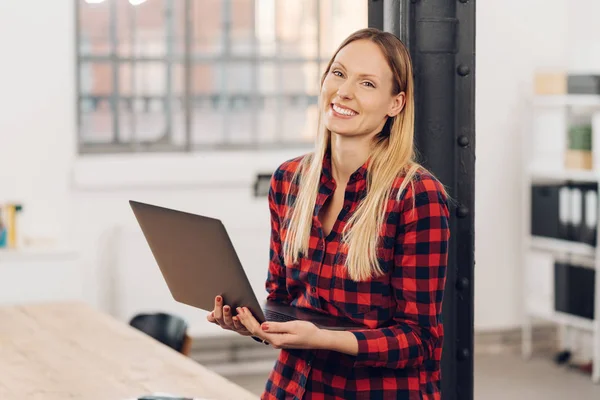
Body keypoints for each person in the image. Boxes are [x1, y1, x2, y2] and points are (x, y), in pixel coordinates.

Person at [207, 27, 451, 400]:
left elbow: (419, 341)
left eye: (367, 83)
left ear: (395, 104)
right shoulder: (289, 180)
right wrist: (254, 324)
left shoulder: (416, 196)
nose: (344, 92)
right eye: (338, 73)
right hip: (294, 386)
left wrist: (327, 339)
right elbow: (281, 300)